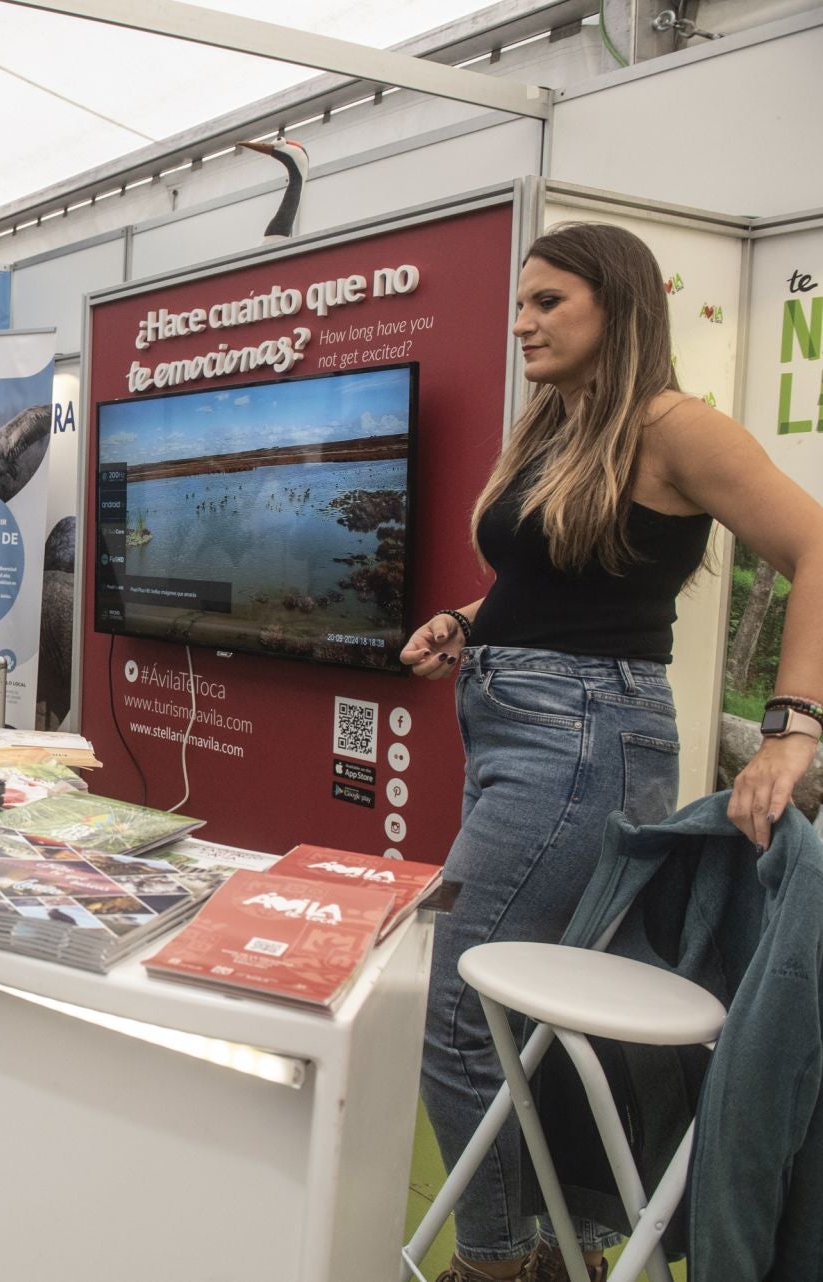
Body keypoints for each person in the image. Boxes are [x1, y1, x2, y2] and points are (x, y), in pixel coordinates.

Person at [403, 221, 823, 1282]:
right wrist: (468, 615)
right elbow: (570, 578)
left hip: (581, 741)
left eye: (549, 302)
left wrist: (792, 727)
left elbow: (817, 545)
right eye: (523, 301)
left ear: (619, 306)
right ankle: (560, 1248)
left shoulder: (677, 426)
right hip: (519, 727)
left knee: (456, 1012)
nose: (523, 322)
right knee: (510, 1016)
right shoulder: (560, 424)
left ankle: (500, 1262)